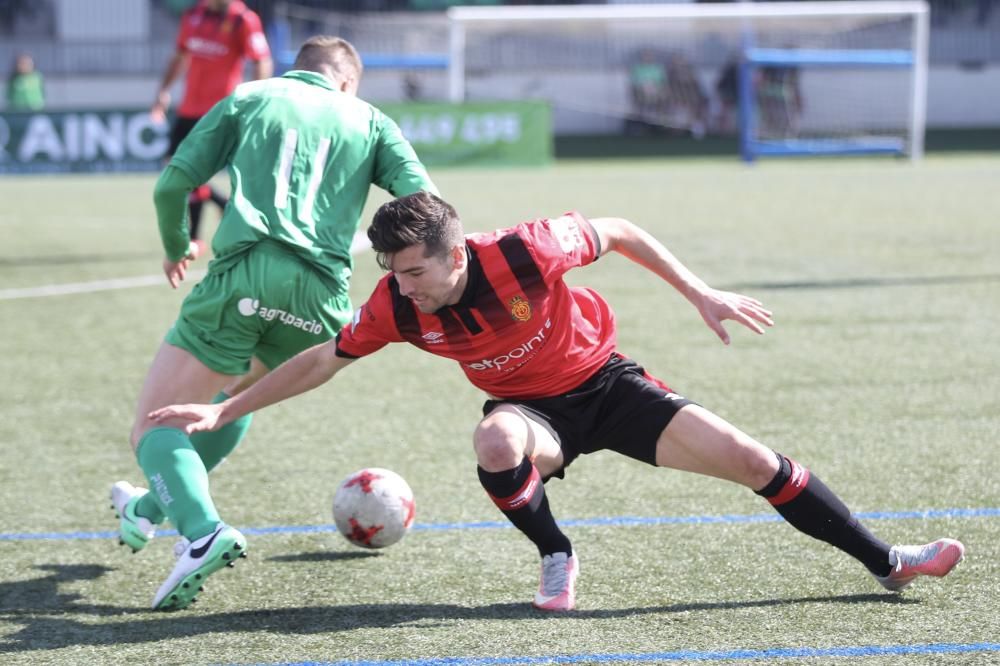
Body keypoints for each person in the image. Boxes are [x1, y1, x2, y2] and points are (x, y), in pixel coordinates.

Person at [150, 191, 965, 612]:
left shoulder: (525, 251)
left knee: (756, 462)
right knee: (497, 446)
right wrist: (224, 411)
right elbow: (326, 357)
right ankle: (556, 551)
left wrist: (699, 292)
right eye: (391, 272)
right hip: (530, 413)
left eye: (413, 272)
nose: (400, 289)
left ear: (454, 252)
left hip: (609, 386)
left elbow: (619, 228)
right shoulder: (394, 306)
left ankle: (888, 562)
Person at [112, 36, 438, 611]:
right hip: (322, 304)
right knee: (230, 400)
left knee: (152, 430)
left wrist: (176, 244)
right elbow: (426, 204)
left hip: (244, 278)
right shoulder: (370, 119)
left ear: (300, 71)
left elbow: (172, 184)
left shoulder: (251, 96)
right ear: (347, 82)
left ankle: (203, 533)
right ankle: (146, 510)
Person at [151, 0, 273, 258]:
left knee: (195, 175)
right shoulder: (193, 15)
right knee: (174, 169)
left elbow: (261, 60)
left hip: (221, 113)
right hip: (188, 110)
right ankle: (218, 209)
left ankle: (196, 237)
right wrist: (163, 90)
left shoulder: (243, 20)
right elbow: (180, 55)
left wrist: (257, 103)